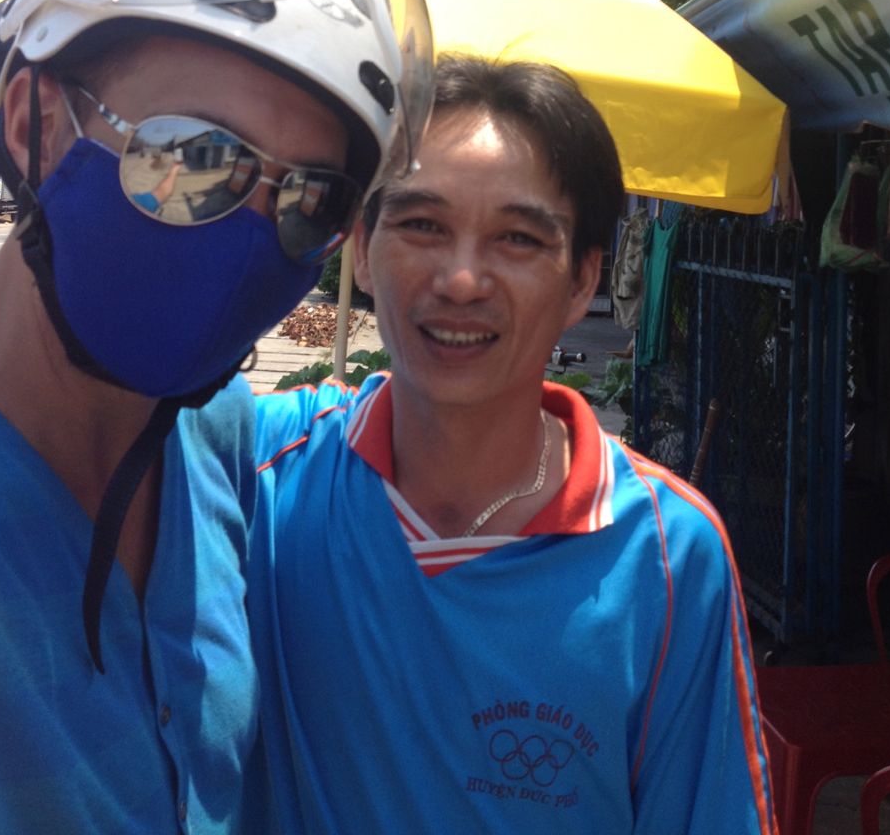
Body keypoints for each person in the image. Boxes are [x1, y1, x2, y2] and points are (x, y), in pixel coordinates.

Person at [0, 0, 433, 834]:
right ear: (34, 125)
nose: (249, 234)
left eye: (311, 198)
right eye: (195, 156)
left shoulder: (220, 438)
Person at [246, 55, 776, 834]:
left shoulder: (665, 556)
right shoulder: (259, 474)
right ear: (362, 245)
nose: (462, 280)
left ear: (582, 281)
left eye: (518, 239)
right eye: (422, 225)